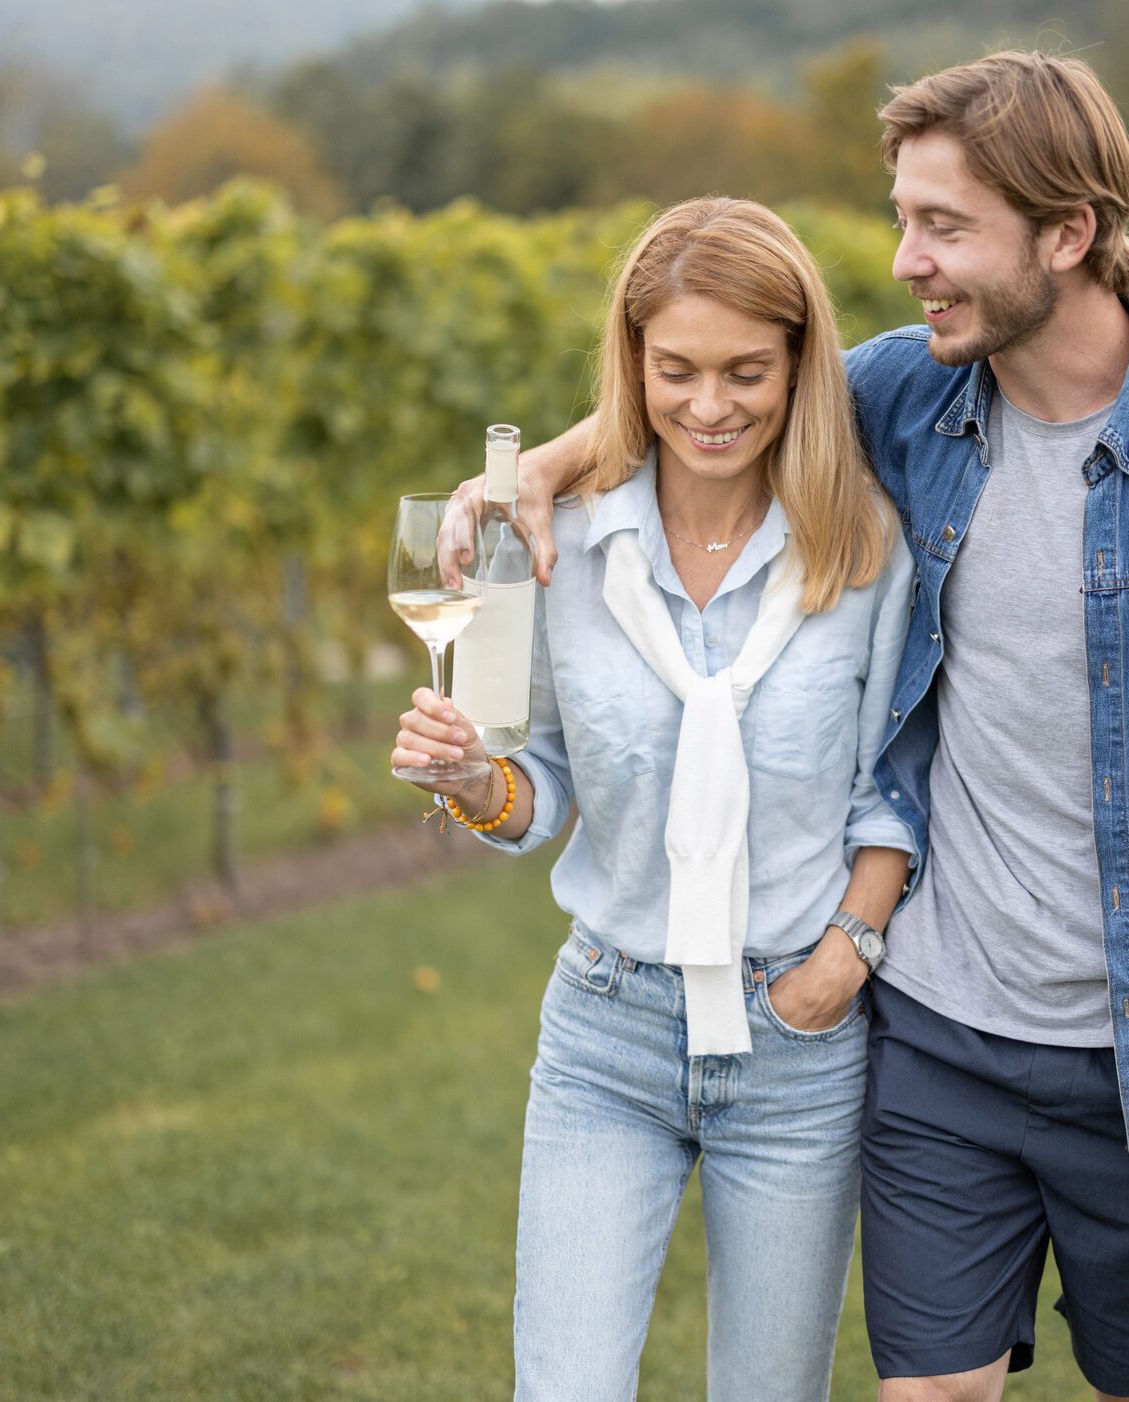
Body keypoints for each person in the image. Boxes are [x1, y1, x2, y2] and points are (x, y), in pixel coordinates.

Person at [449, 51, 1129, 1402]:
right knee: (930, 1392)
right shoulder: (906, 397)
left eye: (944, 226)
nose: (906, 260)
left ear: (1067, 234)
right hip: (938, 1034)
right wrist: (544, 469)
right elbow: (701, 396)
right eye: (904, 217)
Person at [392, 197, 914, 1402]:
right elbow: (540, 789)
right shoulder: (556, 542)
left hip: (797, 1043)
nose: (710, 405)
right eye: (674, 370)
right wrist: (475, 778)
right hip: (604, 1033)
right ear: (630, 367)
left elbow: (894, 785)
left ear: (798, 366)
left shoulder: (864, 549)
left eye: (746, 371)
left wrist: (844, 952)